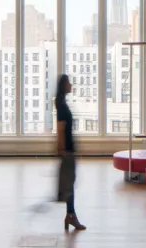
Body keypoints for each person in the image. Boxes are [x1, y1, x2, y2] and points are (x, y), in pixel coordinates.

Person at [55, 74, 86, 231]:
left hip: (69, 147)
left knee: (70, 183)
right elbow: (60, 127)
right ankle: (71, 215)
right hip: (67, 149)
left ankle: (70, 215)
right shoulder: (60, 104)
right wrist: (61, 148)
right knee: (69, 184)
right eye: (69, 83)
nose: (71, 85)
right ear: (63, 85)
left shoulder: (62, 103)